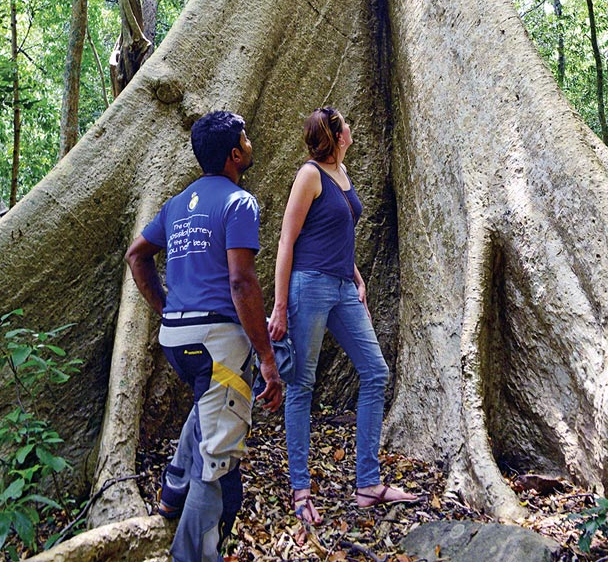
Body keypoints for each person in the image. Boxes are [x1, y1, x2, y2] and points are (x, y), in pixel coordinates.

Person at [126, 110, 282, 562]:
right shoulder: (239, 203)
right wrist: (267, 359)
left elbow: (138, 255)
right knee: (218, 463)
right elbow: (241, 283)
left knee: (208, 404)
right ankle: (191, 553)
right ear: (235, 154)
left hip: (177, 339)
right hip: (217, 342)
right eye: (246, 138)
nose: (250, 142)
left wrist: (166, 308)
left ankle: (172, 489)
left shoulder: (177, 204)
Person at [268, 106, 417, 530]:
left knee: (375, 372)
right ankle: (301, 491)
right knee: (302, 384)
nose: (351, 126)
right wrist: (280, 306)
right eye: (345, 123)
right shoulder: (310, 175)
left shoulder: (342, 174)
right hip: (308, 286)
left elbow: (334, 232)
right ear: (334, 134)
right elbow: (287, 240)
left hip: (342, 287)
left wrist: (354, 275)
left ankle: (367, 483)